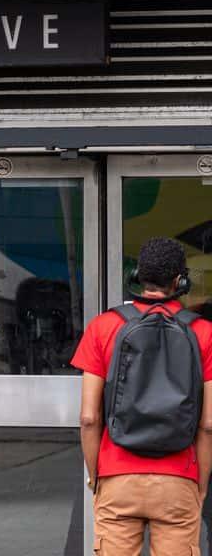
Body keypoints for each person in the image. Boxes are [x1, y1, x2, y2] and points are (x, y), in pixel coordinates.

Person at [72, 237, 212, 555]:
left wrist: (96, 477)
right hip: (178, 479)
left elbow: (89, 418)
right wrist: (201, 482)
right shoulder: (204, 333)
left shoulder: (103, 327)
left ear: (137, 275)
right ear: (180, 281)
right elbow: (208, 425)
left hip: (117, 476)